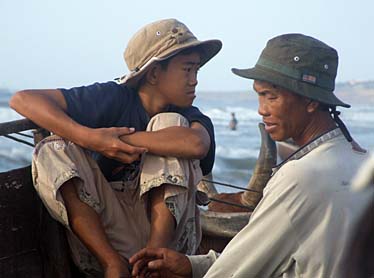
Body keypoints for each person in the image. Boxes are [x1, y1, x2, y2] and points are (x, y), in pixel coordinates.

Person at [129, 33, 373, 277]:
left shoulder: (301, 175)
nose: (261, 109)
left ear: (310, 101)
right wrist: (191, 265)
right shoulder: (362, 163)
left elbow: (235, 272)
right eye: (259, 94)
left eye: (271, 96)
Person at [10, 18, 222, 277]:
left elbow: (196, 144)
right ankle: (112, 262)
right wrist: (87, 137)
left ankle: (152, 259)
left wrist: (117, 142)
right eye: (187, 70)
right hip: (113, 235)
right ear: (154, 73)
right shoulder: (114, 97)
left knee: (170, 124)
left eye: (196, 71)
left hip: (171, 246)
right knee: (52, 148)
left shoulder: (190, 115)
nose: (194, 81)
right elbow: (23, 99)